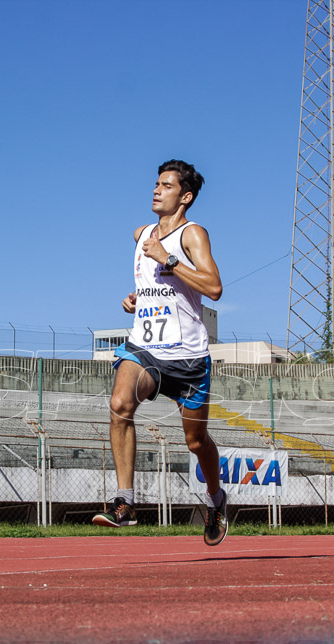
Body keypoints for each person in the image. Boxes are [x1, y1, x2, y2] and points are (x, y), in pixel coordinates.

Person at [93, 159, 228, 545]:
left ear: (185, 196)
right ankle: (125, 502)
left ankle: (216, 500)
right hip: (146, 347)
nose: (156, 190)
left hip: (187, 357)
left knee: (196, 442)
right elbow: (159, 285)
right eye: (156, 183)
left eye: (166, 186)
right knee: (120, 404)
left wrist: (166, 259)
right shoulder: (141, 234)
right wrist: (138, 298)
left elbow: (214, 288)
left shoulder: (192, 234)